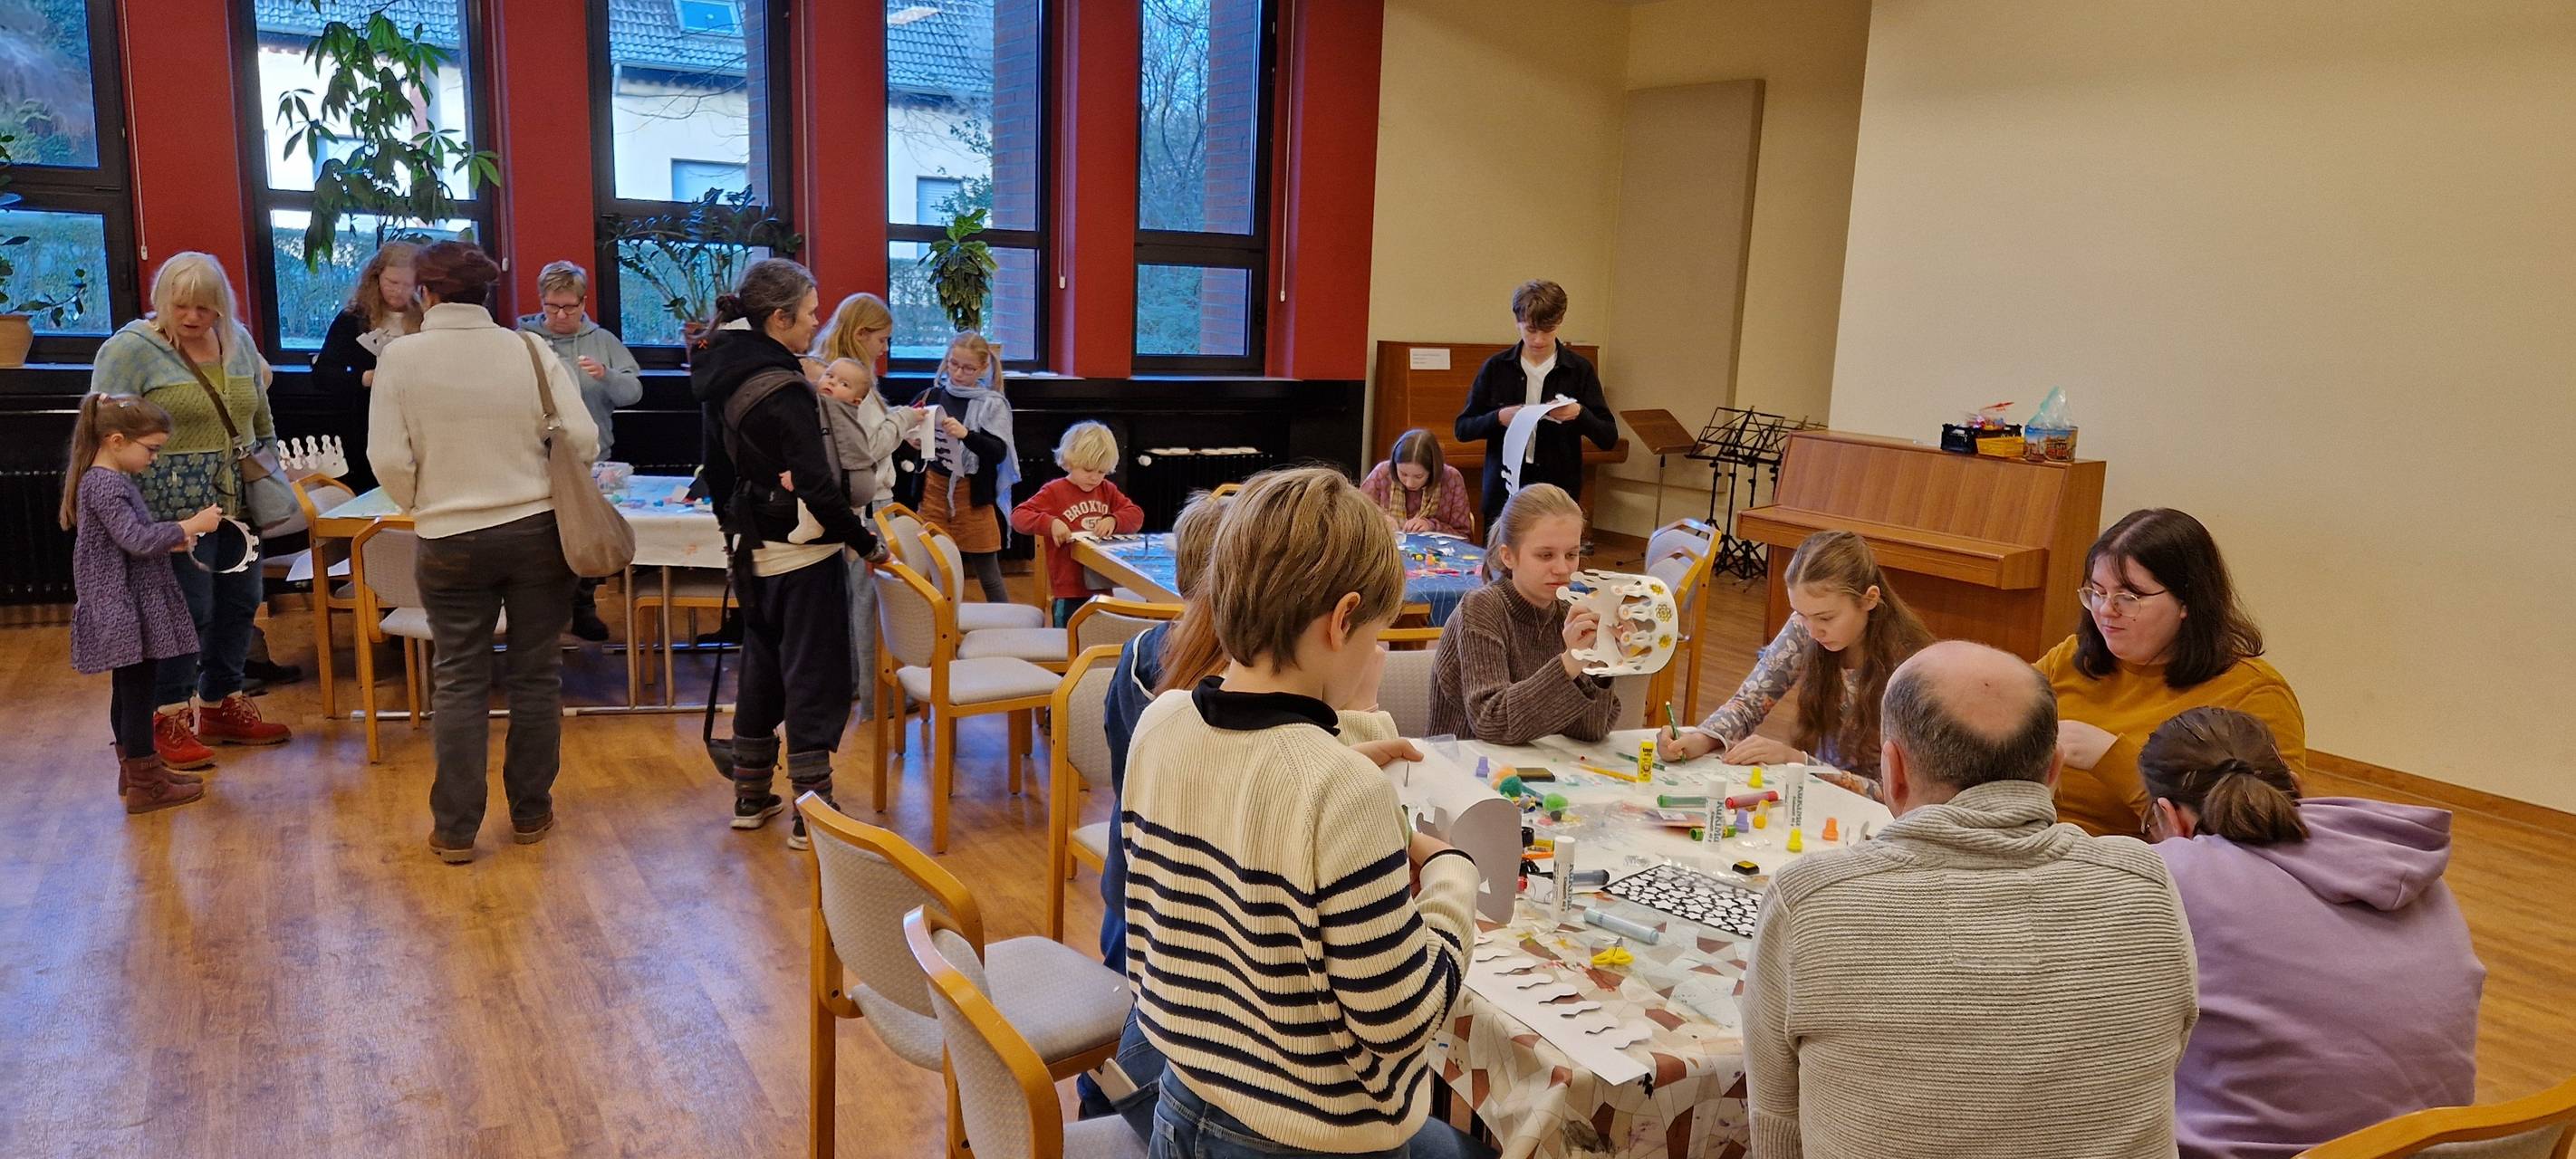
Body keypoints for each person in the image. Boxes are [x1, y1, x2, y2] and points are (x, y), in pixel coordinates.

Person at [1122, 466, 1488, 1159]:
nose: (1372, 654)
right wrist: (1453, 872)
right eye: (1375, 634)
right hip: (1310, 1135)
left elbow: (1253, 747)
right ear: (1342, 618)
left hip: (1182, 1101)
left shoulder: (1163, 722)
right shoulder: (1343, 792)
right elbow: (1403, 1019)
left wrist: (1344, 741)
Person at [1742, 640, 2197, 1158]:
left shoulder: (1809, 900)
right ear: (2054, 771)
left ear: (1893, 771)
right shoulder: (2146, 883)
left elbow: (1776, 1119)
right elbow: (2166, 1052)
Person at [2140, 708, 2483, 1159]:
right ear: (2291, 788)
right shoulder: (2401, 858)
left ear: (2171, 818)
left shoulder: (2174, 875)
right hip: (2428, 1146)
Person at [369, 242, 596, 865]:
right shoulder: (530, 349)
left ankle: (456, 830)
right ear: (488, 292)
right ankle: (530, 814)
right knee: (535, 674)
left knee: (460, 678)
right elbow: (584, 438)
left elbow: (387, 458)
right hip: (535, 532)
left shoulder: (402, 358)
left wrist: (426, 500)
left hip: (447, 538)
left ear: (426, 292)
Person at [692, 258, 878, 851]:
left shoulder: (719, 372)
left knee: (763, 666)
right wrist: (866, 542)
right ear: (779, 318)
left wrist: (734, 537)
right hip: (803, 558)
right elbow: (819, 488)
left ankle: (750, 797)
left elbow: (715, 472)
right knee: (813, 676)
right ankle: (812, 813)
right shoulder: (789, 389)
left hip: (751, 549)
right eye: (811, 313)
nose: (816, 323)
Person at [88, 251, 293, 770]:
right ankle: (166, 717)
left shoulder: (237, 340)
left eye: (204, 307)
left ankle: (222, 704)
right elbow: (104, 433)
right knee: (183, 614)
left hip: (235, 506)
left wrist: (267, 464)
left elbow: (259, 417)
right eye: (182, 306)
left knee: (240, 603)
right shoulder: (131, 349)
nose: (193, 318)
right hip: (166, 515)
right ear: (162, 302)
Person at [2040, 508, 2306, 837]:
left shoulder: (2253, 692)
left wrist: (2112, 759)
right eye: (2097, 592)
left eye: (2129, 596)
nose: (2106, 610)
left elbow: (2255, 840)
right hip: (2033, 844)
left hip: (2144, 872)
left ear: (2186, 602)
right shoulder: (2069, 656)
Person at [1658, 530, 1933, 792]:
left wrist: (1799, 762)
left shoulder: (1914, 667)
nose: (1812, 631)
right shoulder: (1807, 625)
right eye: (1801, 614)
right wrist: (1703, 738)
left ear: (1869, 599)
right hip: (1820, 792)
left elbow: (1903, 797)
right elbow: (1750, 702)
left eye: (1826, 618)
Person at [62, 394, 221, 813]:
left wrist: (171, 539)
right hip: (123, 603)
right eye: (150, 449)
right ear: (115, 440)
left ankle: (137, 771)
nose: (154, 458)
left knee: (129, 687)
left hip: (126, 598)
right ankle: (145, 784)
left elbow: (128, 542)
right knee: (137, 690)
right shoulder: (106, 484)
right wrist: (190, 524)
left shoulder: (102, 481)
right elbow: (134, 539)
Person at [1427, 483, 1620, 744]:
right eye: (1545, 555)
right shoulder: (1482, 608)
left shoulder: (1568, 612)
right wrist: (1570, 662)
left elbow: (1591, 730)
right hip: (1466, 768)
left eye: (1572, 554)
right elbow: (1492, 722)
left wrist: (1598, 661)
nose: (1563, 569)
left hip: (1540, 771)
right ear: (1508, 556)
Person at [517, 259, 643, 643]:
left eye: (570, 307)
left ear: (584, 302)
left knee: (587, 535)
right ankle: (545, 613)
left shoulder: (602, 340)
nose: (560, 315)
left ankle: (584, 608)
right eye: (552, 306)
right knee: (543, 540)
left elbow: (633, 392)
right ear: (541, 301)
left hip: (593, 456)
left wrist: (606, 376)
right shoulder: (522, 339)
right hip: (534, 458)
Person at [1453, 280, 1616, 530]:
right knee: (1499, 563)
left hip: (1557, 492)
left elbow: (1608, 437)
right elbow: (1463, 429)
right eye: (1530, 330)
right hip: (1504, 491)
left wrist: (1579, 413)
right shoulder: (1496, 367)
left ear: (1560, 321)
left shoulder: (1579, 370)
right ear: (1517, 322)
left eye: (1548, 330)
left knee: (1550, 561)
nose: (1538, 340)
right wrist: (1498, 417)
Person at [812, 355, 918, 704]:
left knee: (864, 603)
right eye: (829, 376)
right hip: (850, 513)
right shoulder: (817, 408)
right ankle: (869, 693)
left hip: (852, 513)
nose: (831, 382)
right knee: (863, 605)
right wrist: (902, 419)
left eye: (842, 382)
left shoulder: (840, 410)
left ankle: (866, 691)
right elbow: (866, 454)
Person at [913, 331, 1016, 603]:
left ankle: (1006, 632)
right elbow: (910, 432)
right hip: (934, 490)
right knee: (932, 570)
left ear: (983, 368)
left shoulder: (992, 404)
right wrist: (912, 439)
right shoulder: (931, 394)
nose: (959, 373)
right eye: (953, 364)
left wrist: (966, 435)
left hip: (972, 496)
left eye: (968, 368)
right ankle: (939, 631)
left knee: (989, 575)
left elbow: (998, 452)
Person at [1009, 421, 1146, 626]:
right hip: (1068, 591)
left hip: (1102, 584)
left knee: (1101, 634)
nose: (1094, 478)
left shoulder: (1107, 490)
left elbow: (1136, 515)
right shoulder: (1054, 491)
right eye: (1088, 469)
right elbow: (1018, 516)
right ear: (1070, 461)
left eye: (1101, 472)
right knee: (1068, 641)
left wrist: (1114, 520)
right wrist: (1050, 523)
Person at [308, 240, 422, 394]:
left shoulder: (429, 318)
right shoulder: (353, 319)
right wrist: (366, 378)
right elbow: (323, 374)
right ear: (376, 277)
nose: (399, 290)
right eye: (392, 282)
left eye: (408, 285)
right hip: (366, 410)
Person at [1360, 427, 1475, 539]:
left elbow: (1464, 536)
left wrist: (1432, 526)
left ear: (1433, 470)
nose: (1409, 483)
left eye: (1418, 476)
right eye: (1403, 474)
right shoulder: (1383, 473)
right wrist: (1379, 520)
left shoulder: (1451, 478)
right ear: (1395, 466)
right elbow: (1356, 518)